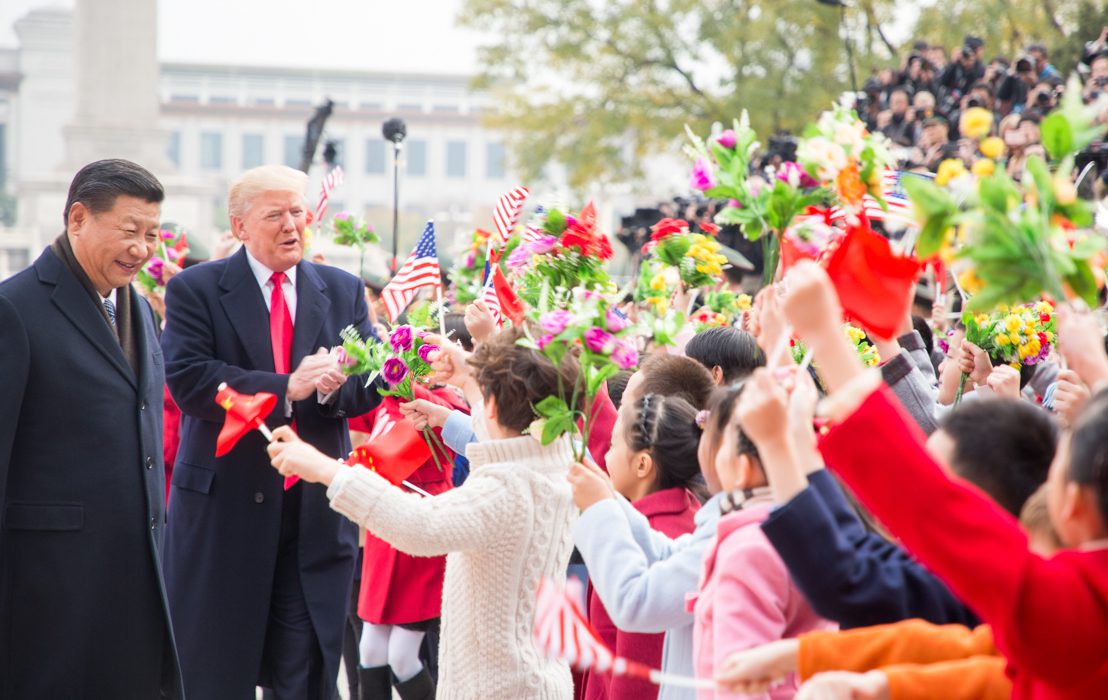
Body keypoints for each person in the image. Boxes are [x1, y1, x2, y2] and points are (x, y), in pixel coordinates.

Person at [774, 261, 1108, 698]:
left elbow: (928, 504)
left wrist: (826, 338)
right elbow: (989, 663)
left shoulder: (1074, 606)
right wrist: (873, 681)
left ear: (1075, 506)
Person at [161, 164, 383, 699]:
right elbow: (189, 379)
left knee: (305, 672)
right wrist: (285, 386)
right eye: (275, 215)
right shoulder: (197, 289)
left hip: (311, 515)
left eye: (299, 213)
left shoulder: (343, 289)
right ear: (240, 227)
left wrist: (331, 388)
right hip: (225, 512)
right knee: (215, 670)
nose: (292, 226)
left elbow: (369, 384)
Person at [268, 328, 581, 699]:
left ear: (492, 405)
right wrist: (464, 381)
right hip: (532, 676)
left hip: (501, 686)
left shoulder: (508, 485)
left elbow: (421, 525)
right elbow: (506, 430)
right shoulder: (559, 454)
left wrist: (325, 470)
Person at [0, 159, 183, 698]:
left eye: (152, 234)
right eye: (130, 231)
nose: (143, 248)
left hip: (136, 576)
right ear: (77, 218)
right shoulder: (15, 309)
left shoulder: (142, 311)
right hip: (49, 586)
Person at [581, 393, 703, 700]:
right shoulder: (686, 514)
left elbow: (637, 671)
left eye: (611, 445)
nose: (605, 455)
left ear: (643, 464)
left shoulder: (659, 534)